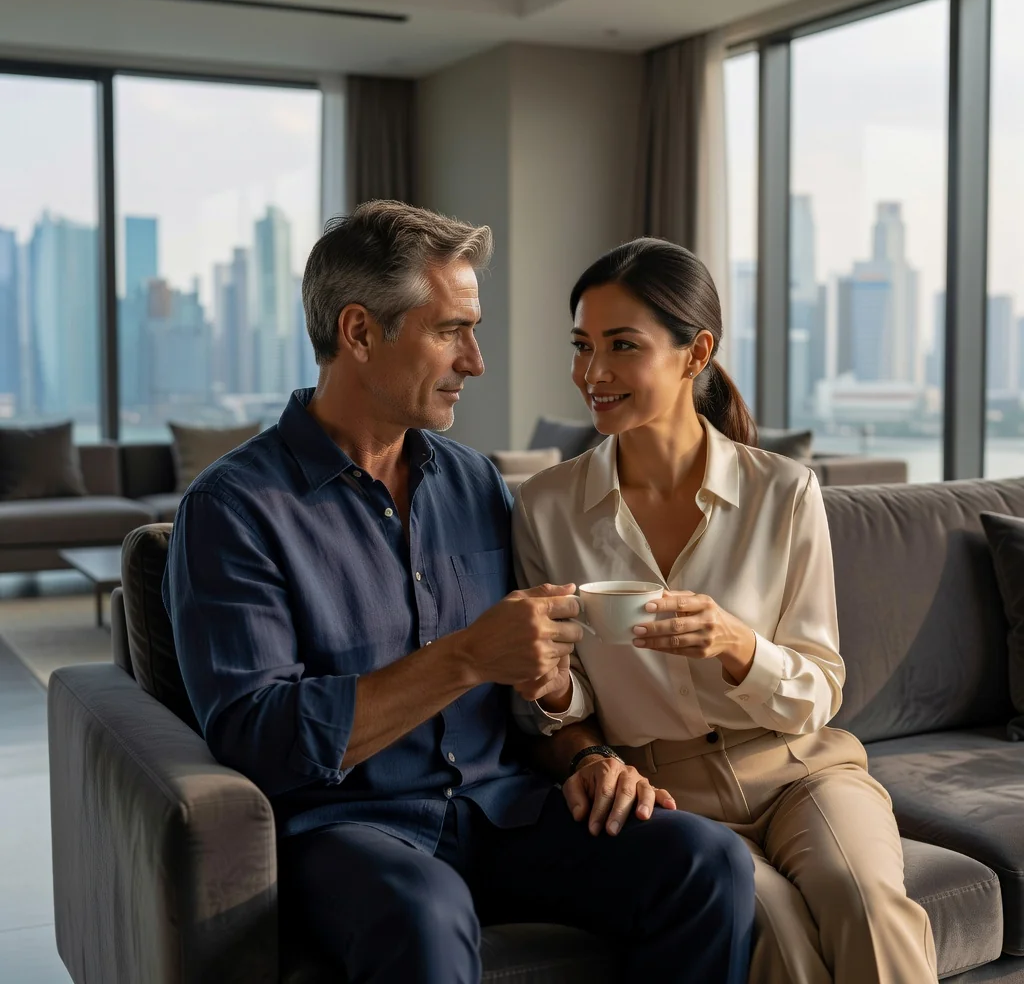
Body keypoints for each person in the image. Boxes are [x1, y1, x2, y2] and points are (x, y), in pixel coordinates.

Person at [163, 203, 755, 984]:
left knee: (706, 860)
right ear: (359, 332)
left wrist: (588, 755)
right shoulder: (233, 509)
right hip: (350, 830)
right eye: (450, 331)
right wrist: (464, 657)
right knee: (423, 912)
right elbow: (255, 735)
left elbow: (533, 680)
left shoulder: (473, 481)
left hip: (504, 809)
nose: (474, 361)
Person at [512, 237, 938, 984]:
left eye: (622, 346)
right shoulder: (547, 508)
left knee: (864, 900)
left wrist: (739, 645)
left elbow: (820, 688)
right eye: (582, 346)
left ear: (694, 351)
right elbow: (567, 702)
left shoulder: (784, 493)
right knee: (771, 931)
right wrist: (549, 689)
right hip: (668, 793)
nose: (592, 374)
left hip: (802, 771)